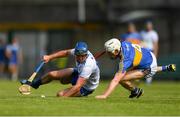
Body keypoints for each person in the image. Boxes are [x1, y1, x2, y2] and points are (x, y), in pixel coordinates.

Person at [96, 38, 176, 99]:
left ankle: (135, 91)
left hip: (148, 66)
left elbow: (116, 80)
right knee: (130, 69)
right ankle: (166, 68)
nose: (109, 55)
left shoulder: (125, 61)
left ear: (117, 51)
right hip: (148, 54)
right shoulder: (122, 44)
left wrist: (104, 95)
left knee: (120, 79)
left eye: (110, 53)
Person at [20, 41, 100, 97]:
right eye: (78, 56)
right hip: (79, 73)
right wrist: (49, 57)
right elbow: (65, 53)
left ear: (86, 54)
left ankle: (83, 95)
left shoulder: (88, 66)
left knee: (60, 95)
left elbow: (78, 86)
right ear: (75, 53)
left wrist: (64, 99)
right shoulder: (77, 51)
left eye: (83, 56)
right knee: (52, 74)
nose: (81, 58)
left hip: (86, 87)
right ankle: (34, 84)